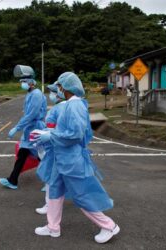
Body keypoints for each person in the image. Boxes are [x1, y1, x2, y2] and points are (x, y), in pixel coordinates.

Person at [34, 72, 120, 244]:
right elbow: (66, 130)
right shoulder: (69, 105)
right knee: (54, 190)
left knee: (81, 195)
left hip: (71, 161)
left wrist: (50, 136)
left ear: (65, 88)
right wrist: (49, 133)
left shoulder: (75, 106)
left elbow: (75, 134)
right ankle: (53, 227)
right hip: (61, 159)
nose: (57, 90)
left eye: (58, 87)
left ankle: (109, 225)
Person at [0, 78, 47, 189]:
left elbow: (31, 114)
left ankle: (50, 182)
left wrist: (17, 127)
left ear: (31, 82)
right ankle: (12, 180)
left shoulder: (36, 94)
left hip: (35, 128)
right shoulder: (31, 93)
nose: (22, 84)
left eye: (24, 81)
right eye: (21, 81)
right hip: (30, 129)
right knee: (22, 154)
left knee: (42, 156)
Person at [35, 82, 66, 215]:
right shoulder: (60, 107)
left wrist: (47, 135)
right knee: (52, 180)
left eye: (53, 91)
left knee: (53, 180)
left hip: (56, 149)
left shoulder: (62, 108)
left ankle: (106, 222)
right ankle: (50, 204)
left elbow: (57, 129)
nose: (51, 95)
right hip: (55, 148)